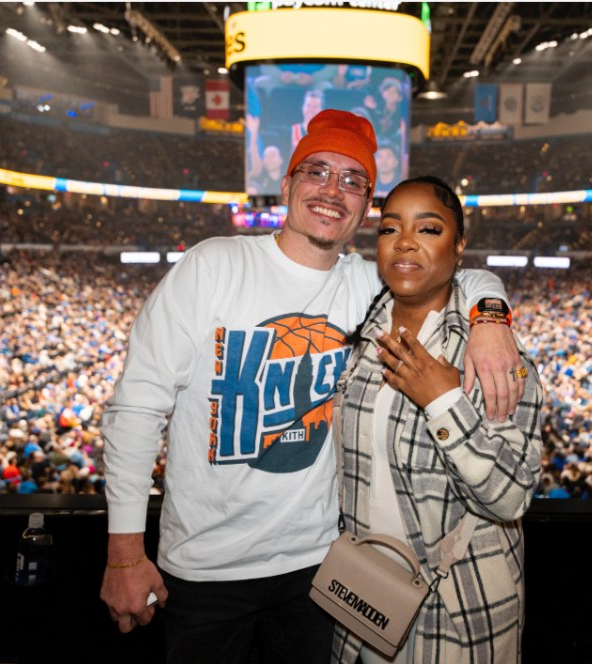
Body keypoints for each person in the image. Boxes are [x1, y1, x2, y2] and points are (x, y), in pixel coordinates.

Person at [99, 110, 525, 664]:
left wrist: (491, 317)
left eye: (353, 180)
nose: (333, 190)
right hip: (204, 569)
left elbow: (461, 273)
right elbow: (136, 409)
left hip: (319, 570)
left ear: (366, 205)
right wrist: (125, 553)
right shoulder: (212, 266)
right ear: (287, 184)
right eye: (317, 171)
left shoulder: (364, 285)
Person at [331, 175, 545, 663]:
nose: (404, 242)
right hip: (359, 599)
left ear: (460, 244)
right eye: (389, 229)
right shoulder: (354, 337)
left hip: (456, 609)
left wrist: (444, 402)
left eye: (428, 229)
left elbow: (511, 497)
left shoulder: (490, 358)